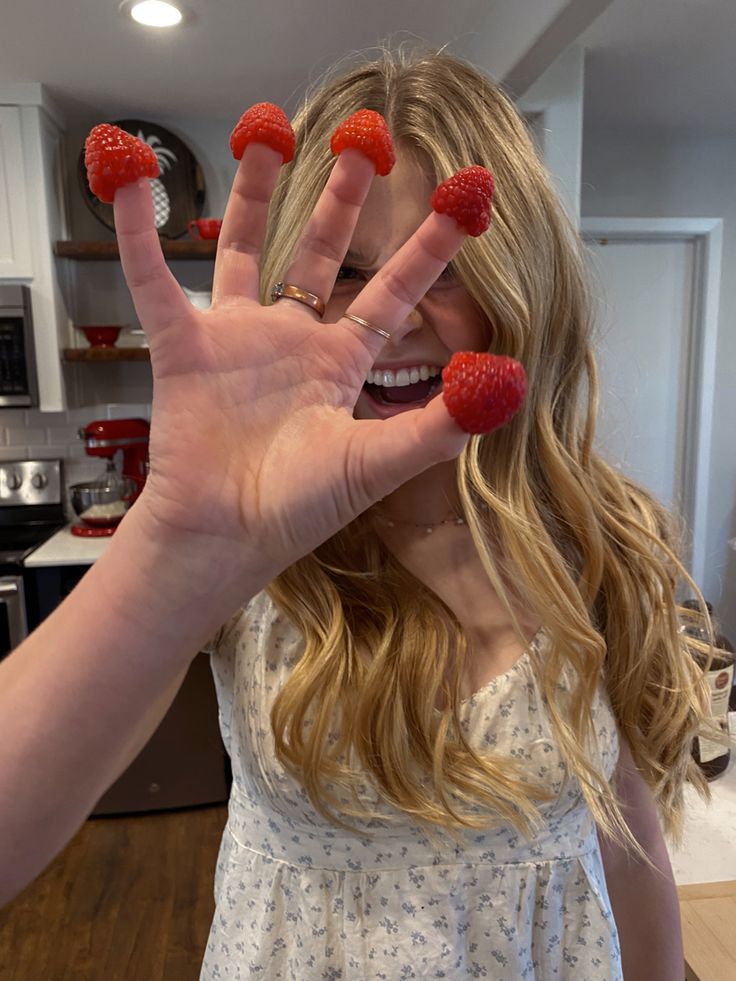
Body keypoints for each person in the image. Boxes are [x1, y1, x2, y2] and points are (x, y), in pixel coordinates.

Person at [0, 46, 725, 979]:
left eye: (449, 271)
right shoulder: (251, 554)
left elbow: (628, 846)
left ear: (524, 287)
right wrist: (181, 546)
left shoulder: (602, 541)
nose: (395, 317)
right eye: (348, 269)